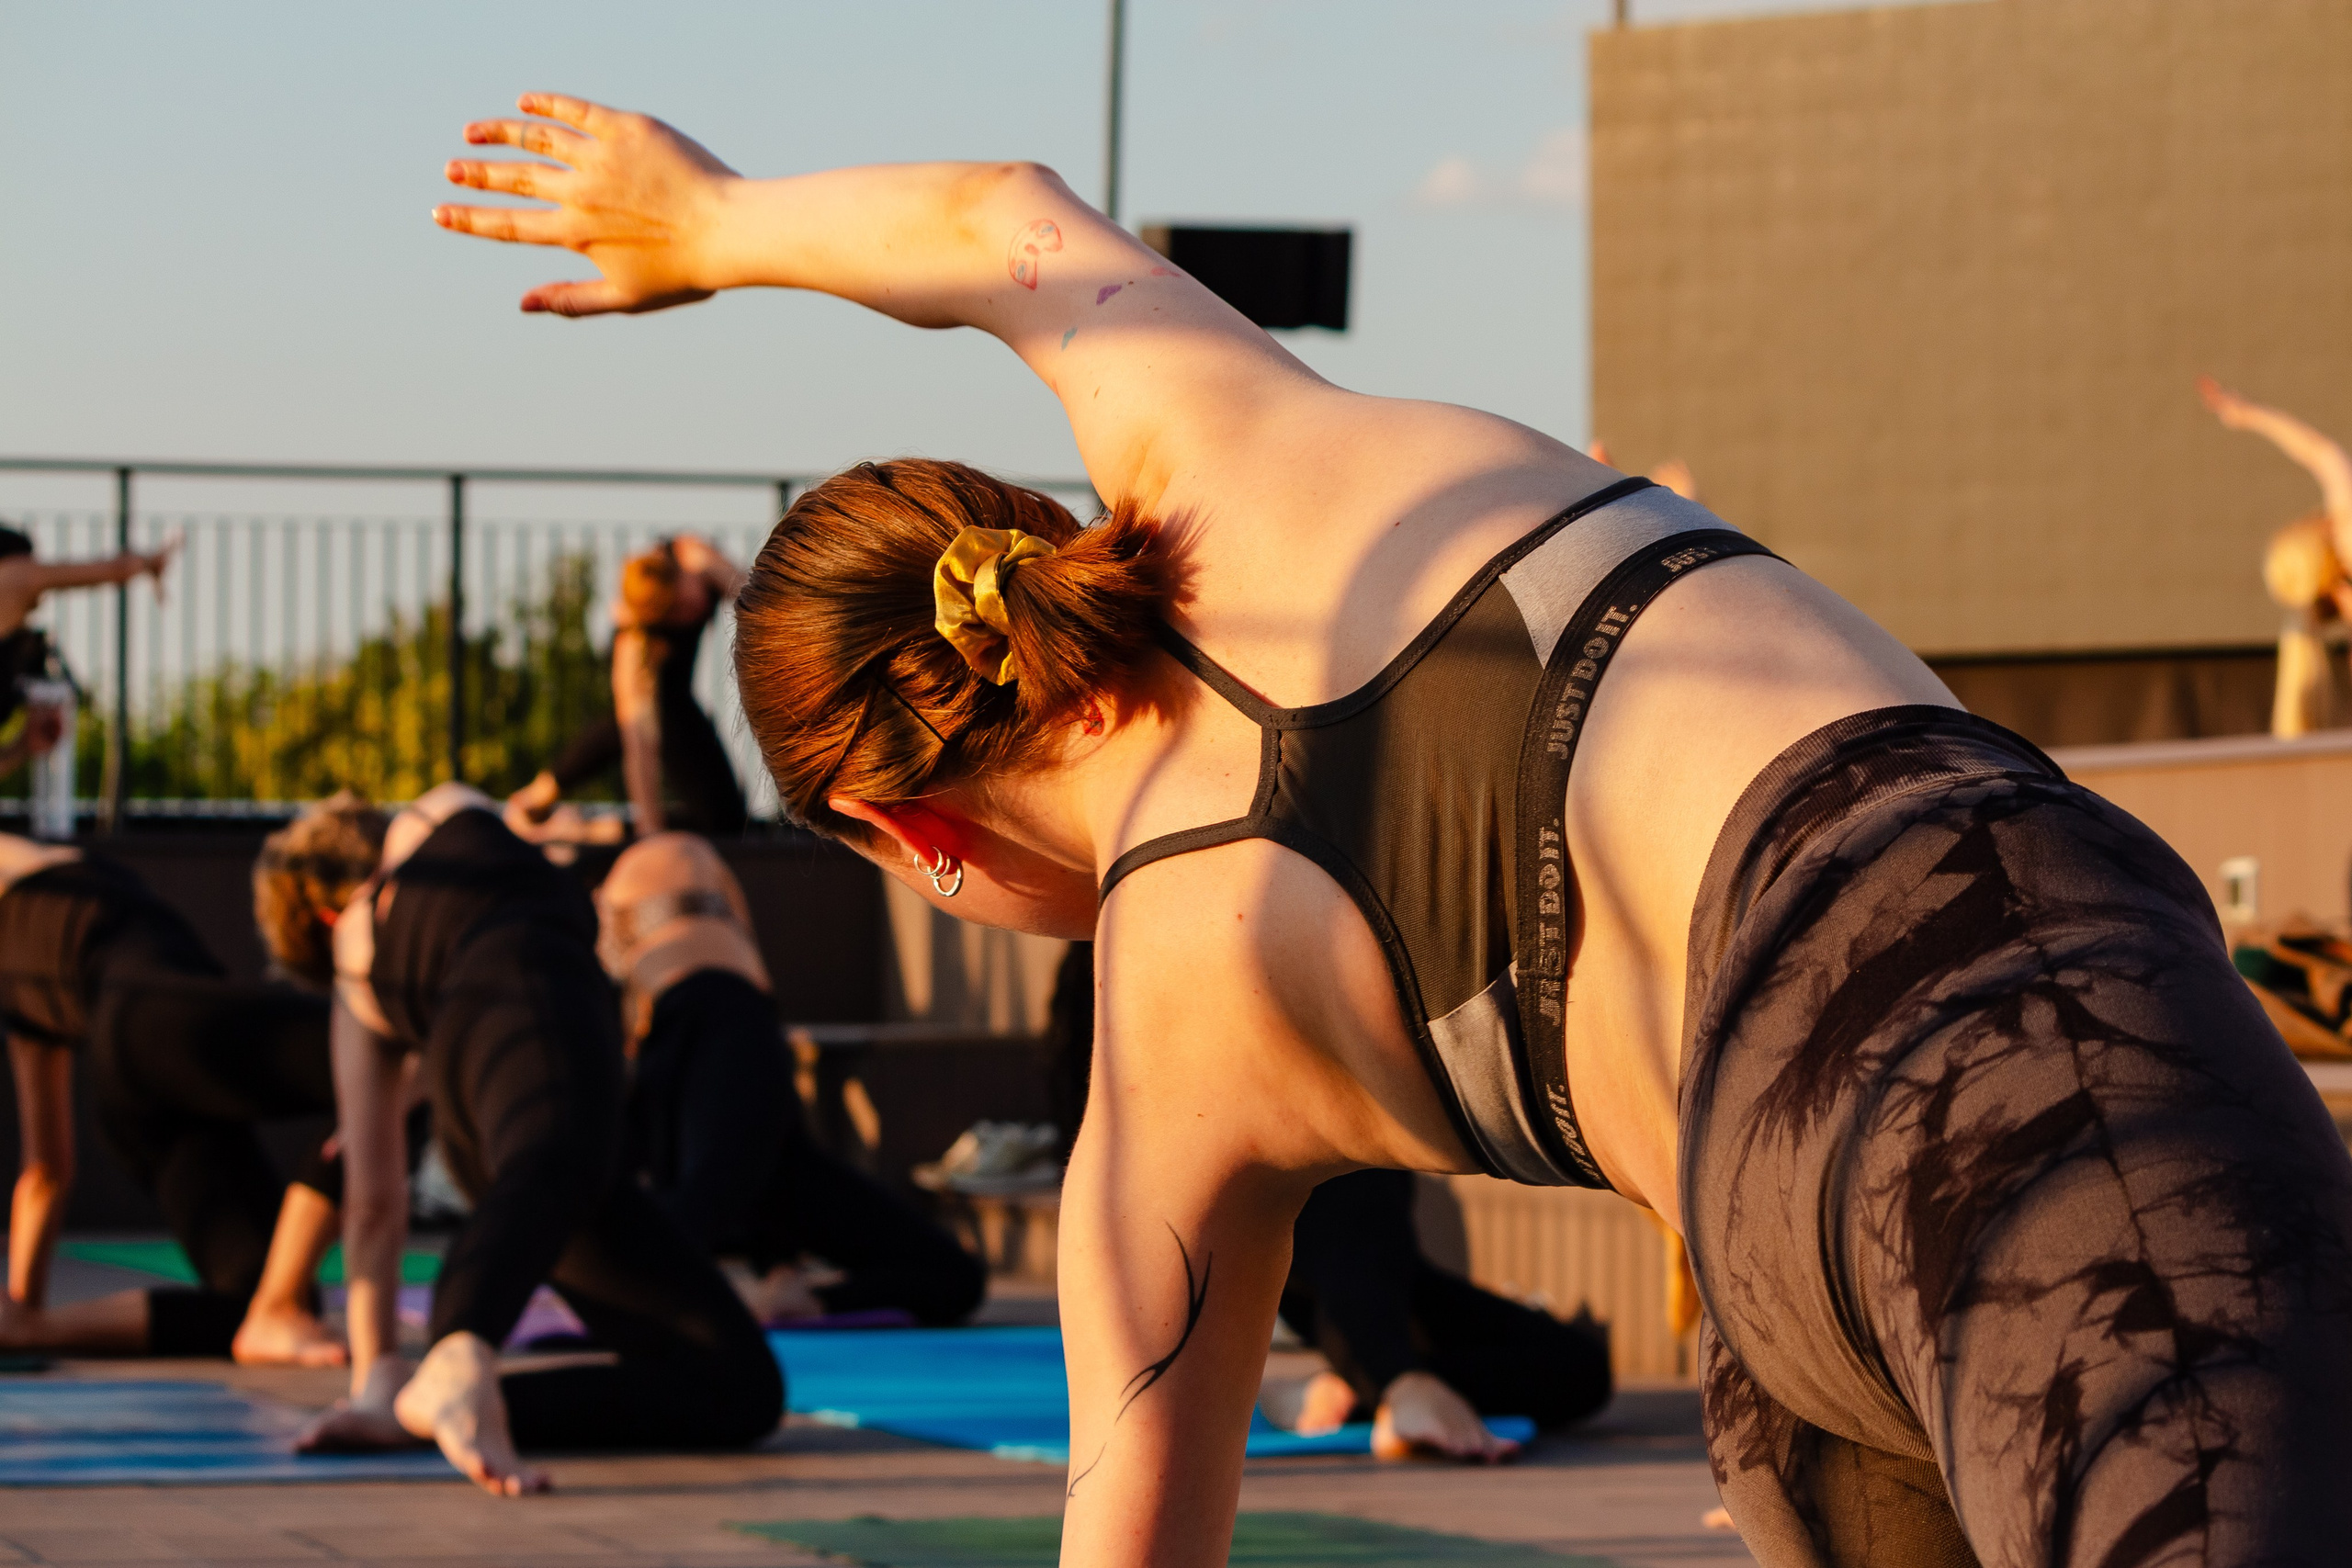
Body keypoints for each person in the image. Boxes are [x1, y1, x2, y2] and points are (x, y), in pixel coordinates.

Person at [438, 96, 2352, 1564]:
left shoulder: (1159, 1094)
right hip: (1977, 1021)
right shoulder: (1223, 432)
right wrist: (707, 220)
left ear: (900, 824)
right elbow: (986, 219)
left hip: (1793, 1304)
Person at [274, 786, 780, 1496]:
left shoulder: (356, 975)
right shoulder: (439, 810)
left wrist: (375, 1381)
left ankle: (451, 1396)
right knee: (555, 1154)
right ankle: (459, 1354)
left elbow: (371, 1201)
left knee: (735, 1384)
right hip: (544, 1055)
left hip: (502, 1137)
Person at [599, 830, 984, 1325]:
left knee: (950, 1275)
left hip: (718, 1031)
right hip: (729, 1024)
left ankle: (792, 1291)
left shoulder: (655, 866)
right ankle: (781, 1286)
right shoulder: (676, 864)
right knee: (707, 1194)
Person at [0, 832, 345, 1364]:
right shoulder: (37, 887)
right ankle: (276, 1305)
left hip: (128, 1092)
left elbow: (45, 1170)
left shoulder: (19, 987)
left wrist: (22, 1311)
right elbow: (45, 1172)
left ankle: (40, 1330)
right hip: (161, 1022)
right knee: (401, 1055)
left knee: (258, 1298)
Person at [1270, 1169, 1611, 1462]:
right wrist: (1400, 1379)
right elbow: (1348, 1252)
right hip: (1321, 1268)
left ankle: (1360, 1388)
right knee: (1352, 1184)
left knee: (1581, 1368)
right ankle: (1393, 1384)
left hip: (1389, 1272)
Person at [507, 536, 749, 838]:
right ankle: (589, 829)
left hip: (679, 695)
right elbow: (639, 746)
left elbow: (759, 601)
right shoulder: (635, 644)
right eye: (674, 615)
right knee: (629, 722)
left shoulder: (696, 557)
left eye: (682, 602)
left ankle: (543, 792)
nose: (690, 612)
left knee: (729, 816)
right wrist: (650, 832)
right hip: (659, 688)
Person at [2199, 377, 2352, 738]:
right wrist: (2249, 416)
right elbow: (2322, 453)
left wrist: (2247, 416)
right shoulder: (2345, 530)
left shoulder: (2331, 606)